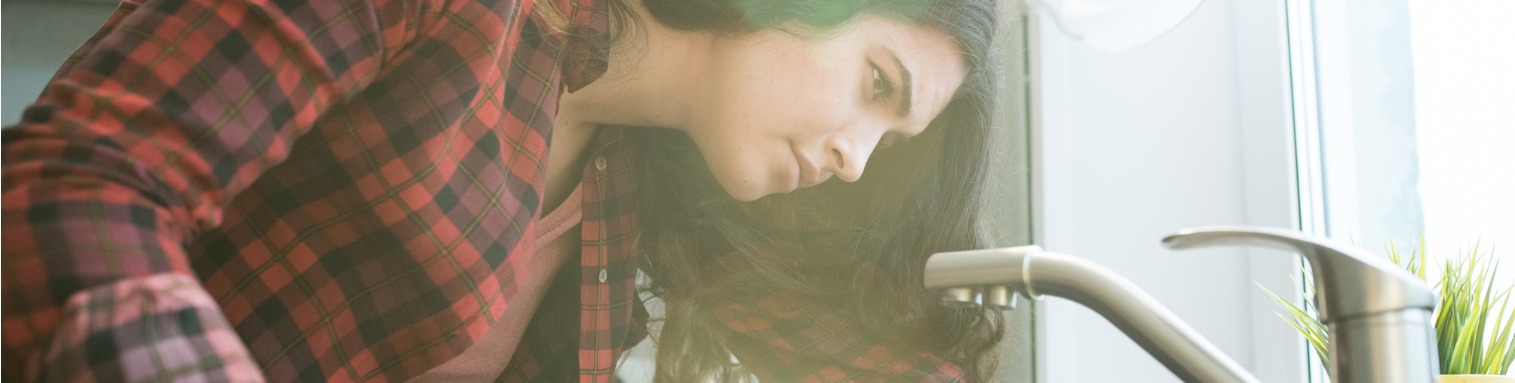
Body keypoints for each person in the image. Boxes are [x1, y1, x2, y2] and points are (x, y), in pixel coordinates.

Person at [1, 0, 1003, 380]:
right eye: (877, 85)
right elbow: (77, 183)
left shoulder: (633, 187)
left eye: (892, 137)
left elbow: (881, 359)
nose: (855, 157)